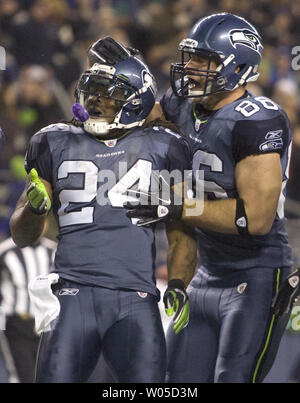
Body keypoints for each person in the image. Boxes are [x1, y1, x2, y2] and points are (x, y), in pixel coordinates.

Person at [9, 37, 197, 383]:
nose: (94, 99)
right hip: (72, 294)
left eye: (107, 92)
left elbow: (183, 228)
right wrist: (35, 209)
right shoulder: (53, 140)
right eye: (92, 89)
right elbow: (22, 237)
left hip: (136, 297)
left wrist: (179, 282)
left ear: (134, 100)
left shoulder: (165, 145)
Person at [126, 13, 294, 383]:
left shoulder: (257, 120)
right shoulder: (184, 104)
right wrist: (125, 76)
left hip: (256, 273)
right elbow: (145, 117)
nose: (192, 68)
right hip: (207, 272)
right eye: (191, 58)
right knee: (174, 380)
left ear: (238, 66)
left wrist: (175, 204)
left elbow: (256, 219)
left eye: (205, 60)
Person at [0, 232, 56, 383]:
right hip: (17, 323)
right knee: (22, 376)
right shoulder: (5, 250)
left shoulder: (53, 251)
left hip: (47, 326)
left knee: (47, 375)